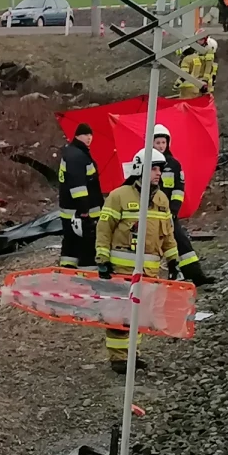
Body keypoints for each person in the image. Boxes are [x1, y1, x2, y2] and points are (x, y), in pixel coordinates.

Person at [95, 149, 179, 374]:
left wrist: (173, 262)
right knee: (119, 315)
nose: (158, 173)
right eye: (153, 168)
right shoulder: (119, 196)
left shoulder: (161, 199)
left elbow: (168, 234)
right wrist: (102, 259)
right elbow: (104, 229)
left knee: (139, 316)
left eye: (159, 169)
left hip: (149, 271)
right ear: (140, 168)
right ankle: (118, 360)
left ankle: (132, 355)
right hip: (121, 269)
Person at [152, 123, 215, 286]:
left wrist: (173, 210)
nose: (160, 146)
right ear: (151, 143)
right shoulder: (145, 163)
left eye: (163, 143)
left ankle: (196, 275)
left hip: (168, 213)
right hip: (150, 213)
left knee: (182, 242)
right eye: (157, 142)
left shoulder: (174, 164)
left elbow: (178, 190)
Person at [57, 123, 103, 268]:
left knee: (71, 244)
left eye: (91, 135)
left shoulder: (75, 153)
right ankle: (85, 276)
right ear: (77, 136)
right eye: (85, 135)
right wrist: (84, 211)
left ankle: (67, 271)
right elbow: (78, 187)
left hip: (73, 212)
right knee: (86, 247)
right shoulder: (76, 156)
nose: (89, 138)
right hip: (81, 213)